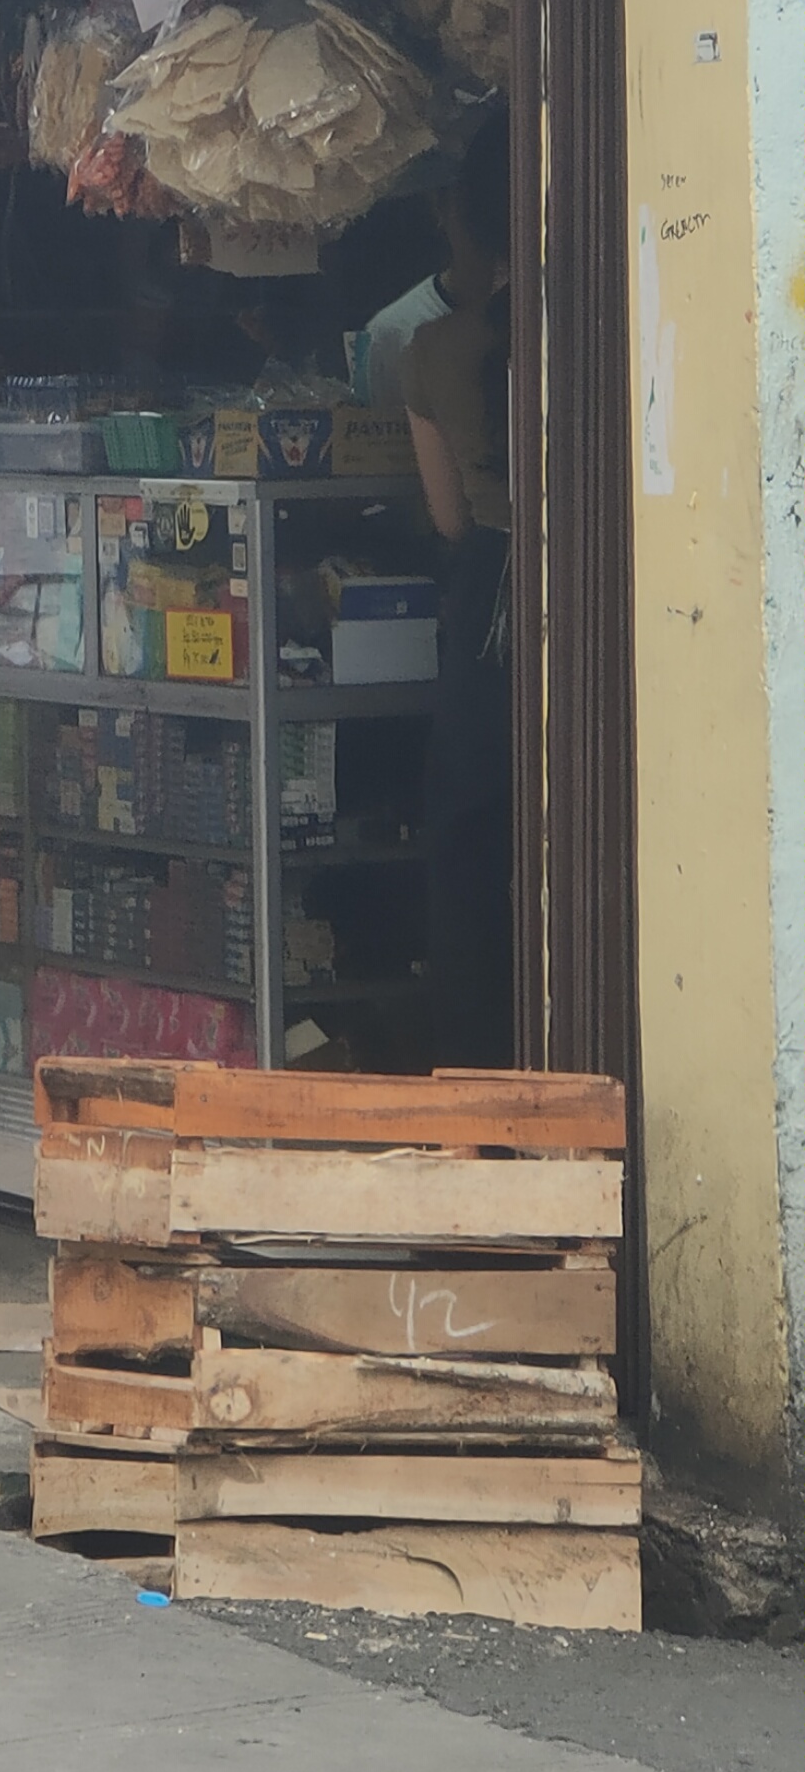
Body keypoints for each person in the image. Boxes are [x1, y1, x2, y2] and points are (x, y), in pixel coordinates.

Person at [403, 112, 513, 1067]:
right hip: (588, 583)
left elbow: (448, 519)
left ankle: (476, 1068)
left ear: (463, 222)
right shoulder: (591, 329)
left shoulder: (435, 351)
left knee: (471, 833)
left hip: (491, 592)